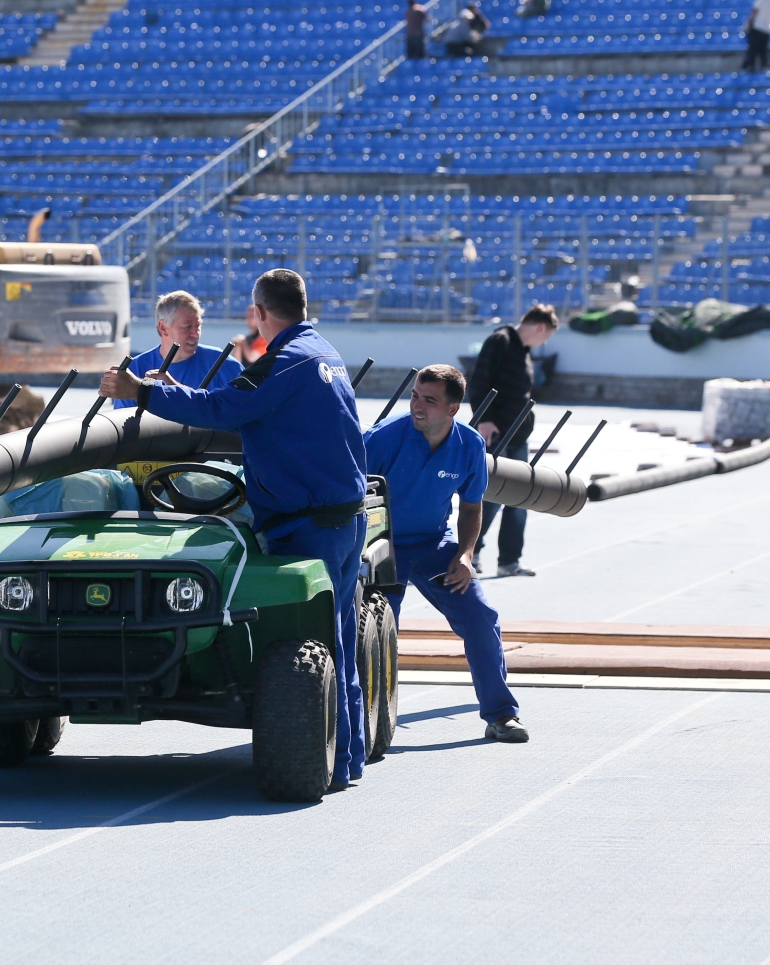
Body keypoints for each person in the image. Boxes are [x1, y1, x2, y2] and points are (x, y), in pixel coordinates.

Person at [98, 269, 369, 791]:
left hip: (310, 522)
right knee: (337, 637)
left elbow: (226, 407)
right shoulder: (322, 352)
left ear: (261, 315)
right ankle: (348, 758)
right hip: (341, 513)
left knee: (320, 641)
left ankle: (334, 763)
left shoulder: (284, 361)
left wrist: (144, 393)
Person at [363, 365, 527, 742]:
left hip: (434, 545)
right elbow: (351, 501)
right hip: (380, 547)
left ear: (453, 409)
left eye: (430, 401)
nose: (418, 406)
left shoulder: (470, 446)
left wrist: (466, 555)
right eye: (415, 397)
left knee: (481, 615)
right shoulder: (381, 440)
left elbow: (471, 508)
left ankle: (501, 715)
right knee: (373, 631)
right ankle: (364, 724)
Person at [466, 302, 558, 577]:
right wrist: (484, 418)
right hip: (498, 432)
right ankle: (472, 552)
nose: (545, 342)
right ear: (541, 328)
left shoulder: (524, 352)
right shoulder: (501, 341)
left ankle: (509, 560)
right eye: (547, 336)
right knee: (491, 496)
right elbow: (479, 381)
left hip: (519, 434)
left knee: (521, 498)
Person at [112, 290, 242, 409]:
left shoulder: (224, 365)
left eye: (198, 326)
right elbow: (124, 425)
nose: (195, 333)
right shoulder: (135, 370)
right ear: (163, 328)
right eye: (187, 326)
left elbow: (243, 415)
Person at [742, 0, 770, 72]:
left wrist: (748, 23)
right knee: (763, 50)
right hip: (766, 29)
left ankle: (750, 67)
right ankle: (764, 66)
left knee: (753, 49)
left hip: (757, 27)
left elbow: (755, 11)